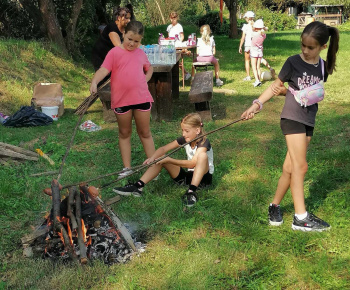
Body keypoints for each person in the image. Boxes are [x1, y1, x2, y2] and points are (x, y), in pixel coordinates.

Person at [241, 21, 339, 232]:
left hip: (308, 119)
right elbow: (276, 86)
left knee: (289, 167)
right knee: (300, 166)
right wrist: (256, 104)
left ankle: (274, 206)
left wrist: (291, 92)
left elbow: (309, 92)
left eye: (310, 47)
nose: (305, 50)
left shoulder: (323, 67)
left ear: (323, 46)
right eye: (302, 45)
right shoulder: (293, 62)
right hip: (292, 117)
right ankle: (300, 217)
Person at [90, 21, 156, 177]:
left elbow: (149, 67)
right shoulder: (114, 53)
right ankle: (127, 168)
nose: (132, 44)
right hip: (122, 100)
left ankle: (153, 165)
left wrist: (146, 78)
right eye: (130, 39)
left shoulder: (141, 53)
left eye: (137, 41)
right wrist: (94, 81)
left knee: (145, 132)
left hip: (141, 98)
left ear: (141, 40)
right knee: (124, 133)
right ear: (123, 34)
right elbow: (103, 69)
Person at [113, 113, 214, 207]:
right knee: (161, 157)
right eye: (182, 130)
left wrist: (169, 160)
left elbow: (192, 164)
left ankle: (191, 192)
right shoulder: (185, 139)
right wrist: (153, 158)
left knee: (202, 157)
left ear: (197, 130)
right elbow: (163, 149)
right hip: (187, 177)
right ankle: (138, 186)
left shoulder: (204, 143)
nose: (183, 134)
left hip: (203, 180)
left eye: (186, 131)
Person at [238, 11, 275, 81]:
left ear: (247, 18)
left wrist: (240, 46)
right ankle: (270, 68)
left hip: (248, 45)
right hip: (257, 45)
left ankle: (248, 76)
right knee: (260, 59)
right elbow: (265, 29)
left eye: (245, 17)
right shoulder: (257, 25)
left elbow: (243, 37)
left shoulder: (245, 26)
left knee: (247, 60)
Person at [91, 7, 131, 72]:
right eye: (126, 18)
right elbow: (119, 47)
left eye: (129, 18)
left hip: (111, 57)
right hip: (100, 57)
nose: (129, 20)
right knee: (103, 79)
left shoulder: (125, 28)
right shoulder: (112, 29)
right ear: (119, 18)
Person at [167, 11, 191, 80]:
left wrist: (179, 41)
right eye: (171, 18)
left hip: (177, 44)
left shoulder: (179, 26)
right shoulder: (169, 27)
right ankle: (184, 73)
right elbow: (168, 37)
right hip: (170, 45)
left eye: (174, 18)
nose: (173, 20)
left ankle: (185, 73)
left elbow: (182, 36)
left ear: (176, 18)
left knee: (175, 60)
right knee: (171, 59)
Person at [250, 19, 268, 87]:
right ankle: (259, 81)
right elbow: (264, 30)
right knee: (258, 67)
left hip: (254, 51)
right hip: (260, 52)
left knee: (254, 67)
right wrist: (263, 28)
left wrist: (251, 24)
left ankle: (257, 80)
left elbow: (252, 29)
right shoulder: (263, 35)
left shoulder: (254, 34)